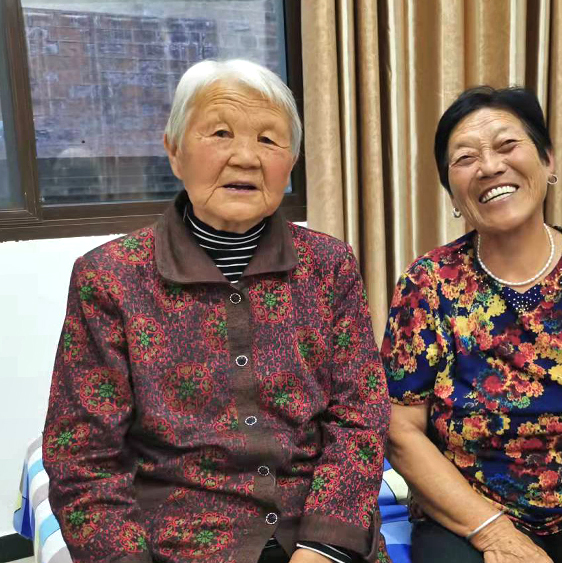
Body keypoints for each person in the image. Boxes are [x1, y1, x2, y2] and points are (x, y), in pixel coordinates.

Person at [42, 59, 389, 563]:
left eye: (268, 140)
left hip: (316, 532)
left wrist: (324, 547)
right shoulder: (110, 278)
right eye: (221, 133)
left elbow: (361, 416)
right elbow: (83, 456)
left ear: (291, 162)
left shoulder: (329, 265)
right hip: (179, 544)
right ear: (174, 151)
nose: (245, 157)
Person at [381, 86, 562, 563]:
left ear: (548, 161)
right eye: (465, 158)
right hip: (469, 512)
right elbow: (401, 429)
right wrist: (494, 534)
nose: (489, 166)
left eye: (507, 145)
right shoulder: (428, 282)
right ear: (452, 193)